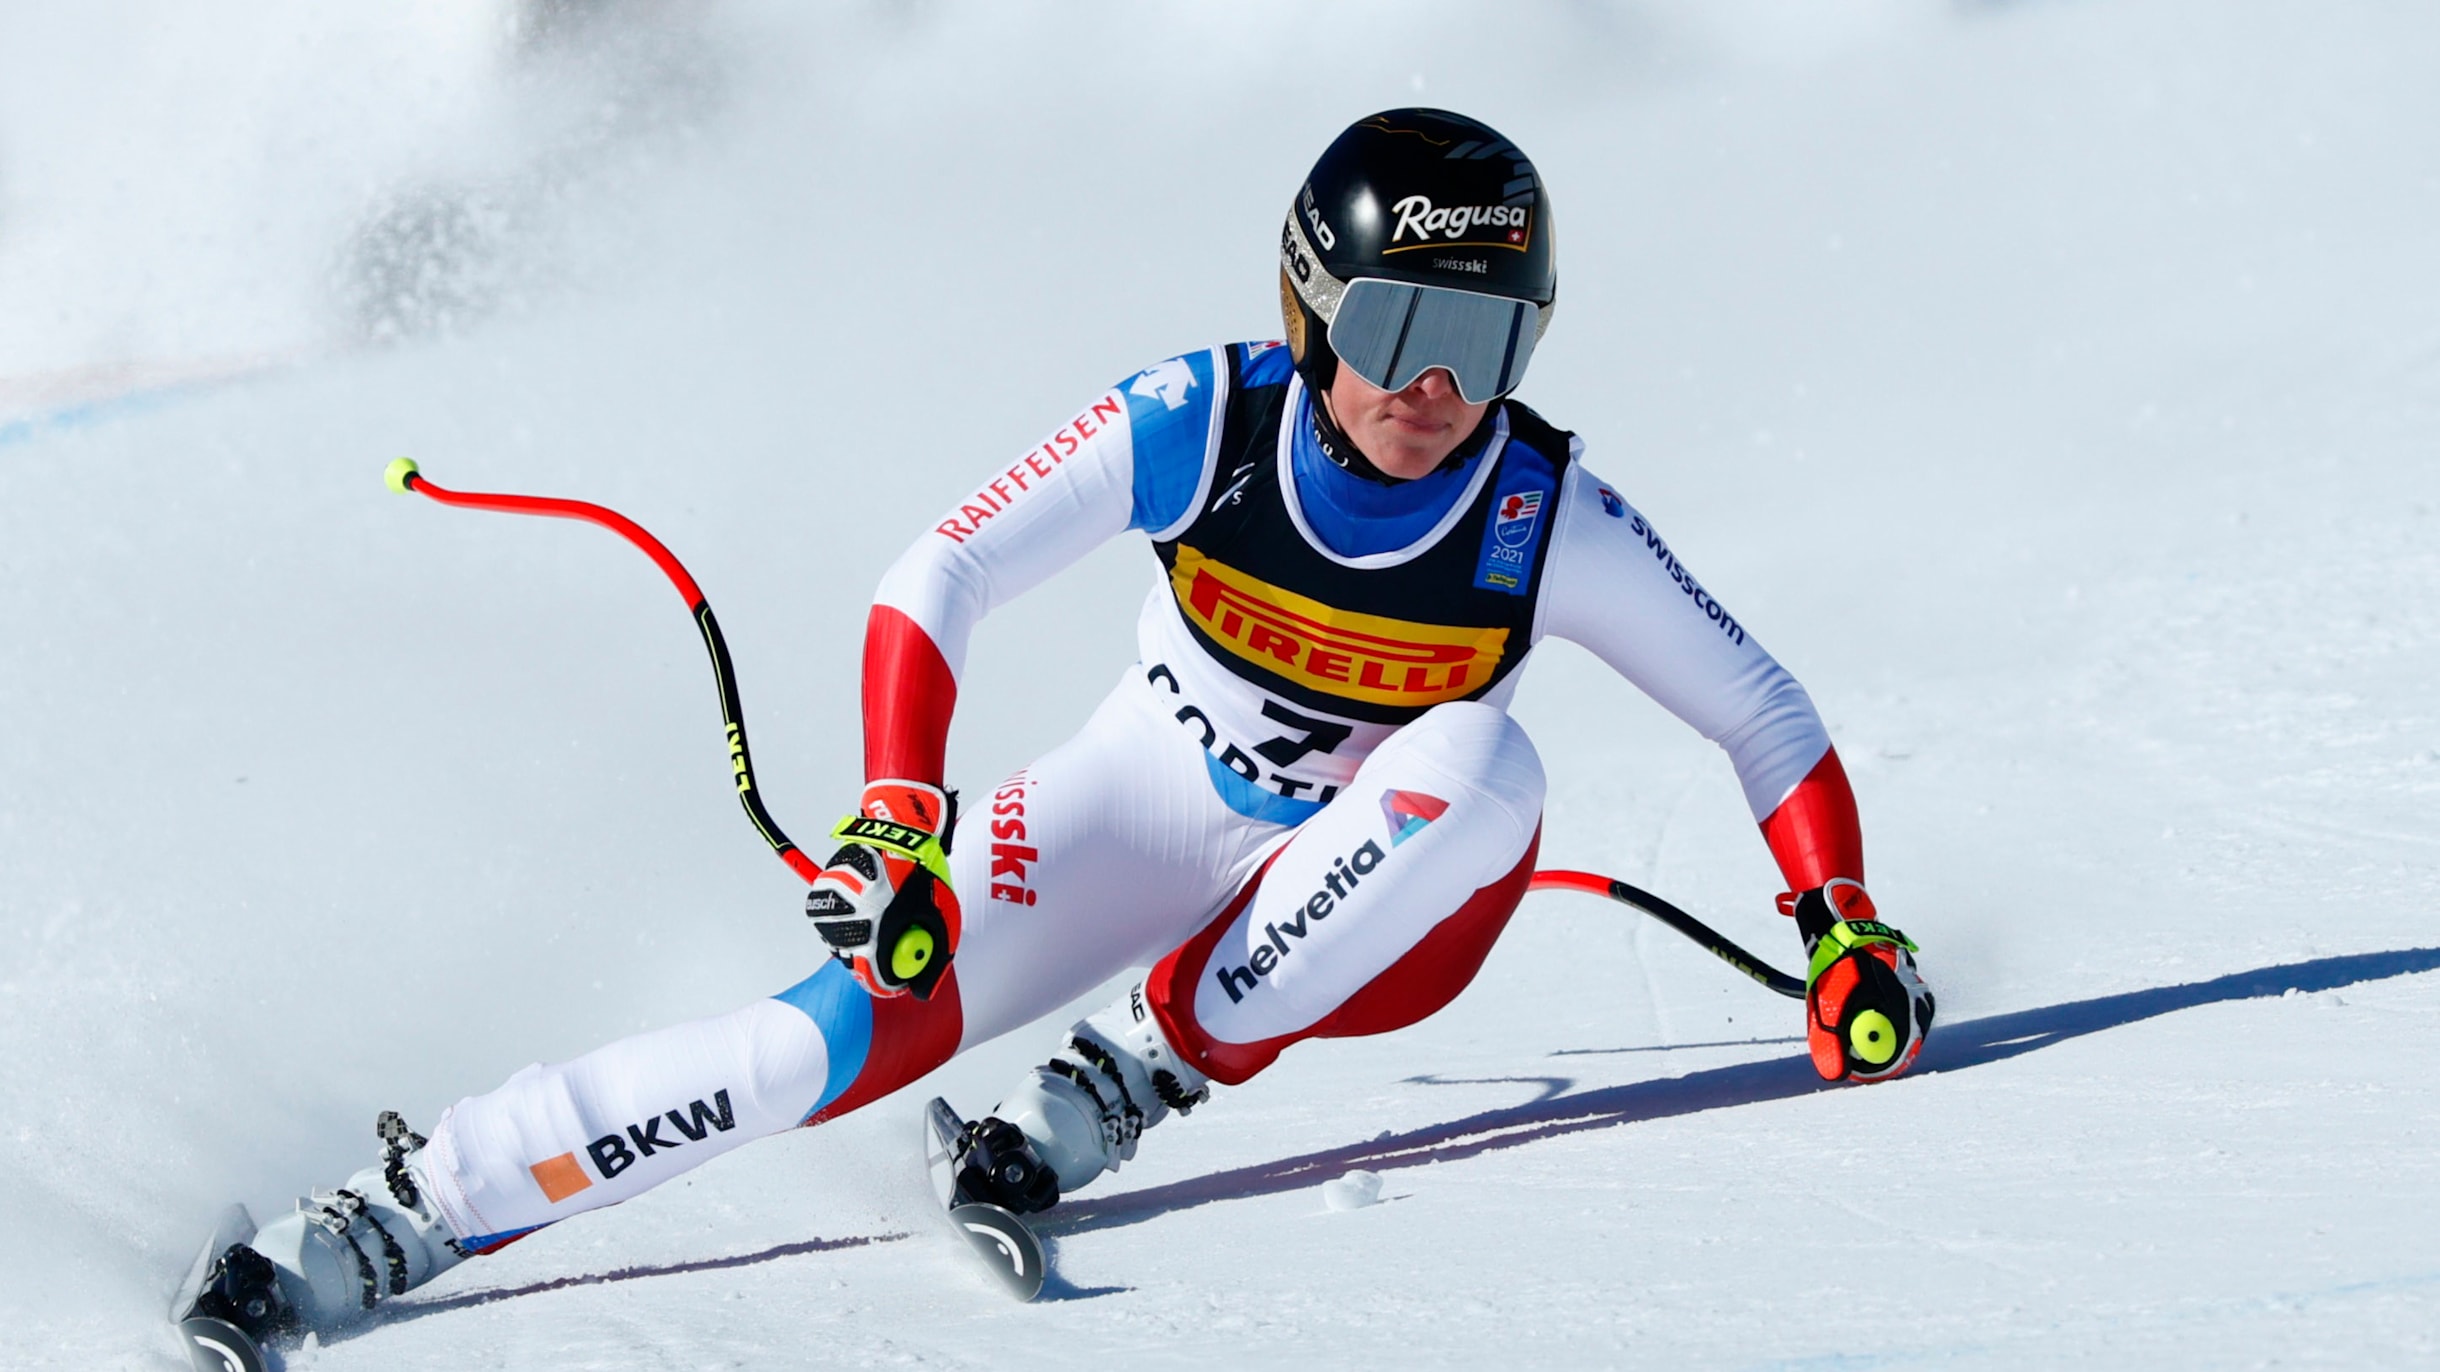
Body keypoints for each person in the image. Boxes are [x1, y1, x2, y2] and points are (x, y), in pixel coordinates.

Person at [191, 108, 1933, 1341]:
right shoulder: (1203, 419)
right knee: (813, 1050)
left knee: (1485, 762)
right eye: (1398, 325)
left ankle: (1130, 1080)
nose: (1433, 390)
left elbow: (1763, 715)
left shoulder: (1544, 511)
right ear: (1309, 308)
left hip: (1384, 906)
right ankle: (410, 1208)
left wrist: (1840, 928)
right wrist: (897, 820)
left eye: (1483, 343)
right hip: (1147, 797)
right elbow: (934, 573)